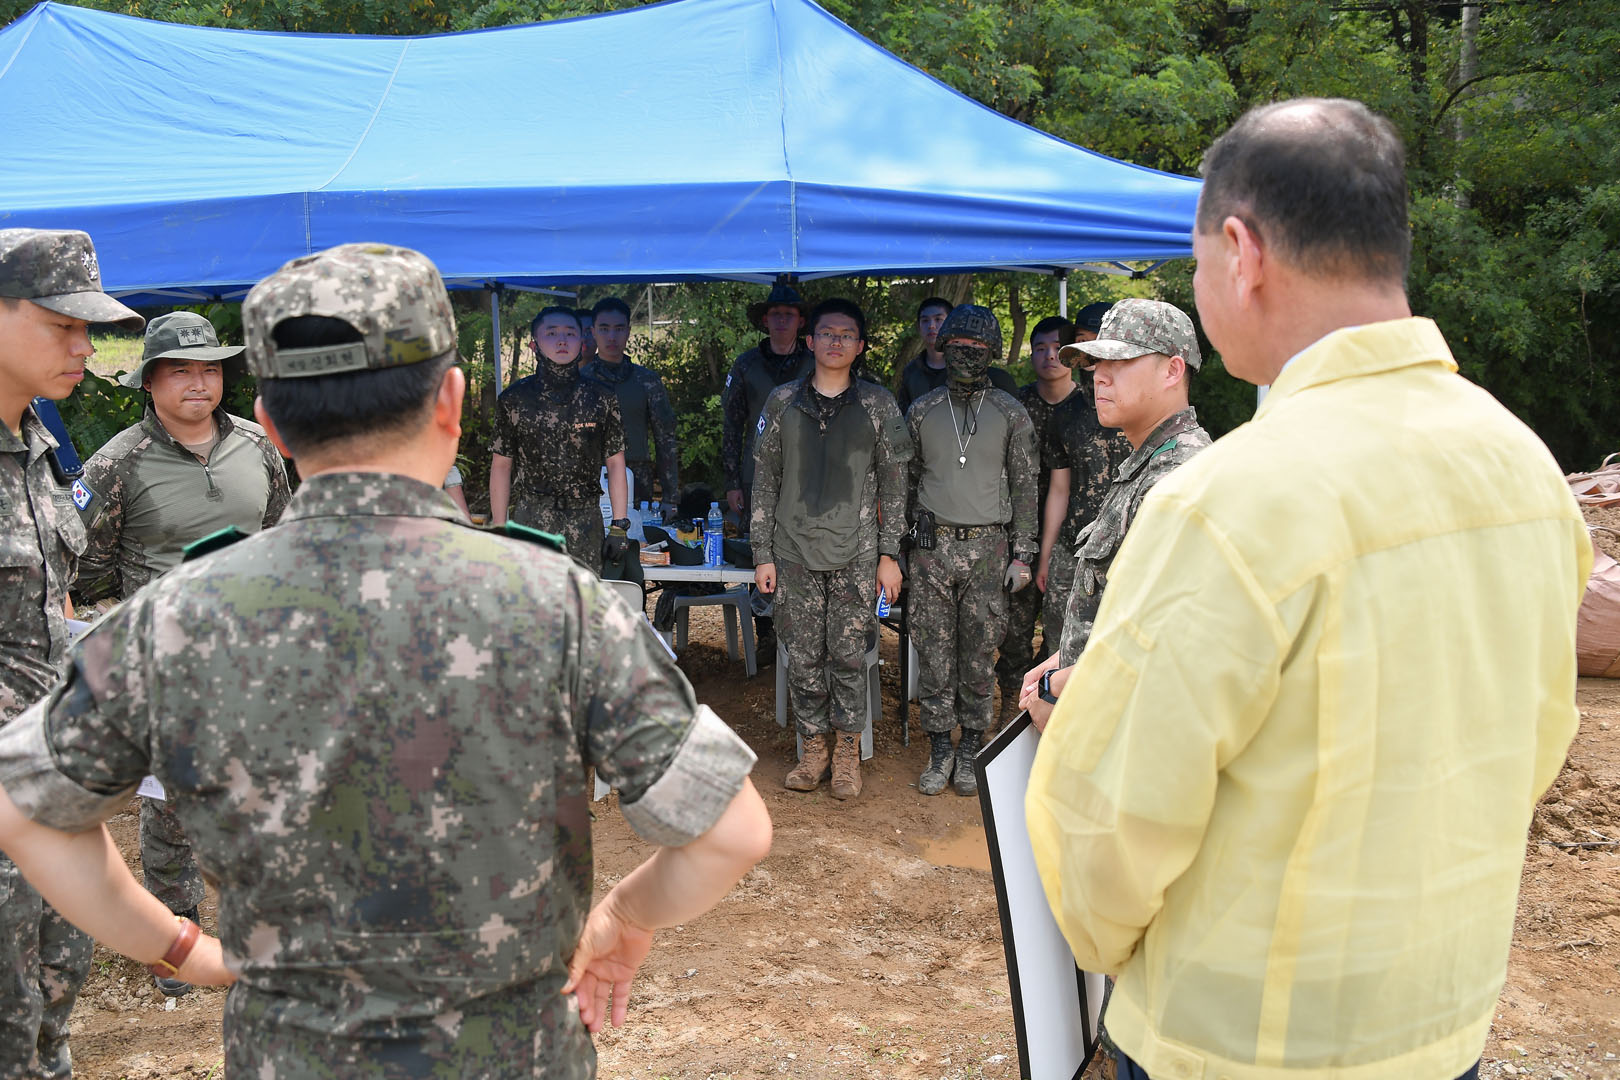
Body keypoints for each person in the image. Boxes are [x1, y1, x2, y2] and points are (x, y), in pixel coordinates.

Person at [0, 242, 773, 1078]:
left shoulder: (176, 615)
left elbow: (27, 811)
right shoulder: (559, 604)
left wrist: (178, 945)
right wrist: (624, 917)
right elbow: (732, 832)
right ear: (451, 401)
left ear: (269, 424)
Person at [1026, 98, 1590, 1080]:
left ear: (1240, 254)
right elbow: (1536, 741)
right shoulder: (1524, 467)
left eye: (1197, 263)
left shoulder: (1226, 501)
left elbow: (1113, 829)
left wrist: (1111, 949)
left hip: (1240, 1040)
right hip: (1441, 1025)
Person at [70, 309, 291, 998]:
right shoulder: (118, 464)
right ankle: (176, 937)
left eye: (209, 369)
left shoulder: (257, 445)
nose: (198, 383)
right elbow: (82, 574)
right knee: (172, 807)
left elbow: (280, 534)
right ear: (149, 381)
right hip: (165, 663)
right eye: (180, 371)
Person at [0, 227, 143, 1079]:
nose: (85, 348)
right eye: (62, 325)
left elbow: (50, 604)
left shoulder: (41, 445)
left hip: (49, 776)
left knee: (52, 996)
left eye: (89, 328)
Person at [1019, 298, 1212, 727]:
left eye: (1120, 362)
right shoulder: (1149, 462)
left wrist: (1057, 687)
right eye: (1096, 362)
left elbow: (1163, 641)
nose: (1098, 376)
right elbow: (1120, 613)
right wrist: (1062, 658)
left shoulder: (1178, 477)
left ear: (1172, 371)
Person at [750, 298, 910, 800]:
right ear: (810, 341)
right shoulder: (782, 401)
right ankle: (813, 748)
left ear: (860, 346)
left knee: (848, 656)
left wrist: (889, 555)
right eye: (827, 333)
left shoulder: (879, 405)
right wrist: (762, 553)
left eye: (846, 335)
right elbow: (765, 481)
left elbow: (895, 485)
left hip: (856, 553)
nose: (835, 341)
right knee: (801, 656)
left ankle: (846, 752)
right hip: (792, 550)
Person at [905, 305, 1037, 797]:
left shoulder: (1010, 412)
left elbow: (1026, 487)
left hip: (988, 550)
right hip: (932, 549)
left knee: (980, 653)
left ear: (992, 354)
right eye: (958, 345)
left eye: (978, 348)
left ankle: (970, 749)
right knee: (934, 654)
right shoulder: (921, 410)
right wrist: (898, 546)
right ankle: (941, 748)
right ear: (942, 347)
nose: (967, 355)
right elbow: (904, 481)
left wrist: (1023, 554)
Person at [489, 306, 630, 575]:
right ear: (534, 344)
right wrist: (500, 527)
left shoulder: (601, 397)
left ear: (583, 342)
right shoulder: (515, 399)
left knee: (582, 599)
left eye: (570, 333)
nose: (562, 341)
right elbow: (501, 466)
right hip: (531, 520)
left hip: (585, 522)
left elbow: (615, 462)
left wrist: (619, 525)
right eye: (552, 333)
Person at [994, 316, 1082, 720]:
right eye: (1041, 348)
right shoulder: (1016, 405)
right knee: (1014, 632)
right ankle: (1010, 713)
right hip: (1018, 535)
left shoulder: (1091, 406)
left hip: (1073, 541)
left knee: (1062, 638)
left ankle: (1050, 712)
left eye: (1058, 348)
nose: (1049, 356)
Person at [722, 283, 814, 655]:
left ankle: (802, 631)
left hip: (809, 471)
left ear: (801, 321)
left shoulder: (815, 360)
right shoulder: (746, 364)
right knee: (759, 548)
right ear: (764, 320)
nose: (781, 321)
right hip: (756, 470)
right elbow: (732, 425)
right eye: (775, 314)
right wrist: (732, 481)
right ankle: (766, 636)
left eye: (789, 315)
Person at [1035, 340, 1131, 657]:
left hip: (1126, 550)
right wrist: (1047, 556)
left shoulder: (1140, 411)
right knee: (1060, 643)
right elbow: (1059, 489)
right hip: (1072, 546)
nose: (1095, 369)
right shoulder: (1067, 416)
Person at [582, 296, 679, 511]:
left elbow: (665, 440)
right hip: (589, 481)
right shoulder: (579, 382)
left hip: (637, 481)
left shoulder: (646, 381)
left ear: (628, 331)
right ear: (593, 331)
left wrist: (670, 497)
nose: (612, 337)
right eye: (604, 329)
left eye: (619, 329)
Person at [895, 297, 1017, 415]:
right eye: (925, 320)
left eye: (938, 319)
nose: (931, 325)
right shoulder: (911, 372)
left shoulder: (998, 380)